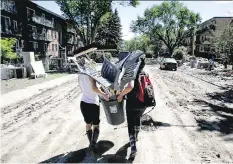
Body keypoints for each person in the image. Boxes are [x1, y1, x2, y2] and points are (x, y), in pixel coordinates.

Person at [117, 56, 147, 158]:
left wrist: (121, 95)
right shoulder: (145, 73)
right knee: (137, 117)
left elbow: (130, 87)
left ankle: (133, 147)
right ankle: (136, 137)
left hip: (132, 103)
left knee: (131, 124)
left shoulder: (132, 74)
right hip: (143, 103)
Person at [78, 57, 109, 150]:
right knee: (96, 124)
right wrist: (104, 94)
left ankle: (91, 143)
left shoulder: (80, 75)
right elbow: (94, 88)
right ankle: (93, 143)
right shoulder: (90, 75)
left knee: (88, 124)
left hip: (83, 102)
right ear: (87, 65)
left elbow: (83, 88)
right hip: (93, 103)